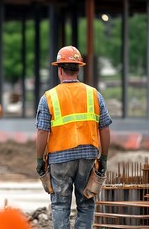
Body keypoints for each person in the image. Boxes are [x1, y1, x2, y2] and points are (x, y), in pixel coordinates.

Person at [35, 46, 112, 229]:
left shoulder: (49, 98)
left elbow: (42, 133)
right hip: (88, 156)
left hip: (60, 158)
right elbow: (105, 129)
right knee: (86, 203)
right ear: (78, 69)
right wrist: (104, 158)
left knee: (60, 204)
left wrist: (39, 159)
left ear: (59, 70)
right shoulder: (94, 95)